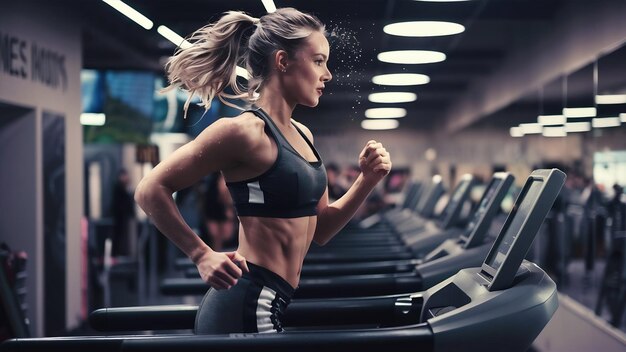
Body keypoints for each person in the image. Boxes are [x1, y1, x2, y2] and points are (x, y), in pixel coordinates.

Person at [134, 8, 392, 334]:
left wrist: (367, 180)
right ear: (282, 61)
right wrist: (201, 254)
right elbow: (149, 188)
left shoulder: (303, 136)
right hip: (248, 300)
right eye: (318, 61)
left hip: (274, 300)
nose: (327, 75)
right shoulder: (244, 132)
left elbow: (322, 228)